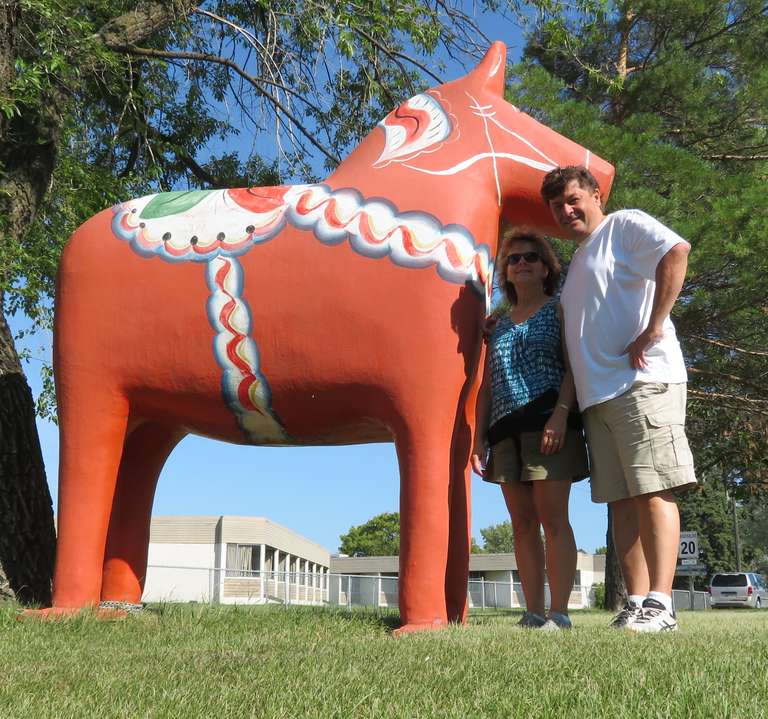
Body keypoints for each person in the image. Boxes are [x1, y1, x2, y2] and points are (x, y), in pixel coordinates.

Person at [540, 165, 697, 633]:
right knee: (621, 502)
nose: (566, 211)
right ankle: (634, 602)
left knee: (653, 489)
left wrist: (654, 327)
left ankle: (661, 604)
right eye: (556, 207)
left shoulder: (623, 225)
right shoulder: (575, 269)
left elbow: (676, 250)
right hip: (597, 398)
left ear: (595, 195)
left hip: (643, 382)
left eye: (573, 199)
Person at [471, 228, 589, 631]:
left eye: (530, 258)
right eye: (513, 259)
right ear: (505, 271)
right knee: (521, 524)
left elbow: (574, 366)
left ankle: (560, 613)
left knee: (553, 519)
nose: (521, 263)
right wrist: (479, 438)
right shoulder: (497, 325)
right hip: (504, 432)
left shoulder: (559, 309)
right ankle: (533, 612)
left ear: (545, 268)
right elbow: (487, 385)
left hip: (548, 424)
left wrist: (560, 414)